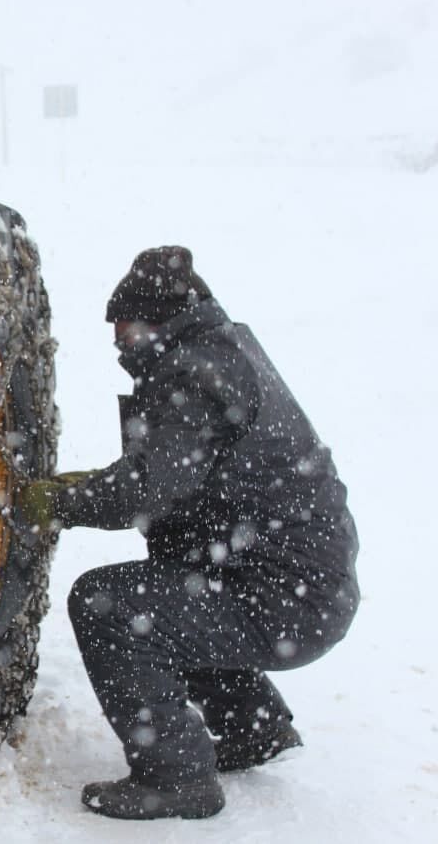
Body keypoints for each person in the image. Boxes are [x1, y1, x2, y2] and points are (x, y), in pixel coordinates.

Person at [21, 246, 359, 820]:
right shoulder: (216, 352)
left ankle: (175, 777)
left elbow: (151, 485)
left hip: (289, 600)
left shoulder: (195, 373)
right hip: (296, 584)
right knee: (176, 581)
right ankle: (251, 728)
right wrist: (100, 485)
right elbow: (181, 472)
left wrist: (60, 501)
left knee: (111, 606)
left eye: (122, 327)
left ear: (154, 323)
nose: (116, 341)